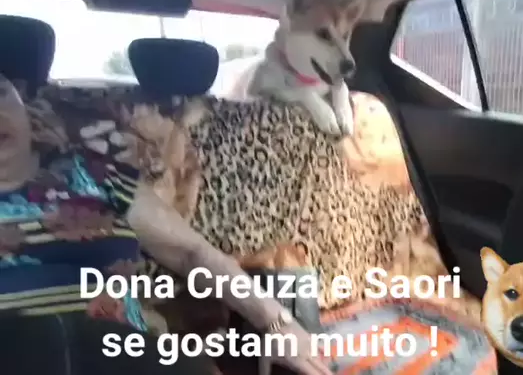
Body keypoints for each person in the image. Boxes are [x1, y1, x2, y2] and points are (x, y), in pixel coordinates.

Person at [0, 74, 331, 375]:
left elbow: (191, 253)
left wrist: (277, 322)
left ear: (23, 103)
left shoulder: (95, 177)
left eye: (0, 93)